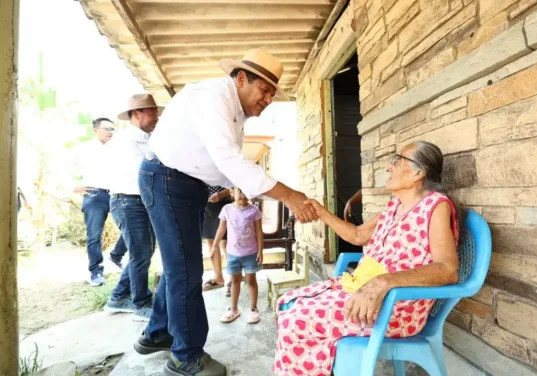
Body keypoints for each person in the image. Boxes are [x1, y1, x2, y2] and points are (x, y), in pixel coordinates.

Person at [132, 49, 316, 376]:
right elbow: (228, 160)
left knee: (180, 265)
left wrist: (243, 189)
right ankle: (186, 357)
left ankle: (158, 332)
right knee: (185, 269)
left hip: (186, 185)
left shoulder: (237, 113)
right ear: (241, 79)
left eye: (273, 94)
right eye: (265, 90)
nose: (268, 99)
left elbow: (227, 168)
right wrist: (289, 195)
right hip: (166, 180)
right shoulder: (211, 96)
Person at [273, 141, 463, 375]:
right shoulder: (395, 205)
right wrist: (321, 212)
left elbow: (447, 269)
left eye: (398, 160)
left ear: (418, 173)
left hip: (396, 307)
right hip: (369, 293)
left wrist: (384, 282)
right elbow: (358, 235)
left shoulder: (435, 206)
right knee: (287, 302)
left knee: (295, 319)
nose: (389, 166)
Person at [103, 94, 161, 321]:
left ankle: (117, 298)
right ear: (136, 115)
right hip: (128, 201)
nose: (156, 117)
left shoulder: (149, 139)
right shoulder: (124, 141)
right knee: (141, 253)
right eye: (151, 112)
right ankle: (141, 304)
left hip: (142, 202)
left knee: (143, 253)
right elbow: (147, 168)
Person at [73, 118, 128, 286]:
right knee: (94, 236)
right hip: (94, 195)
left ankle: (116, 255)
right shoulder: (84, 149)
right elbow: (67, 168)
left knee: (133, 226)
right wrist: (74, 185)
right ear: (95, 130)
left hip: (117, 194)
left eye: (113, 128)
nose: (110, 131)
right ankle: (96, 272)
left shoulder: (120, 148)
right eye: (106, 128)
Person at [212, 187, 263, 324]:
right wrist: (215, 245)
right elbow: (221, 228)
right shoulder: (226, 209)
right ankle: (234, 309)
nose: (243, 194)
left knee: (251, 280)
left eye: (246, 191)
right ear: (231, 192)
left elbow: (259, 231)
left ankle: (253, 309)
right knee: (235, 281)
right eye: (239, 191)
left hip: (251, 253)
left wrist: (260, 250)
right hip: (233, 254)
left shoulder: (254, 211)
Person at [201, 186, 232, 296]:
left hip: (225, 203)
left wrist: (220, 195)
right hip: (205, 204)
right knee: (211, 240)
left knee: (226, 241)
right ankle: (219, 278)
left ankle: (233, 278)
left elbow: (236, 185)